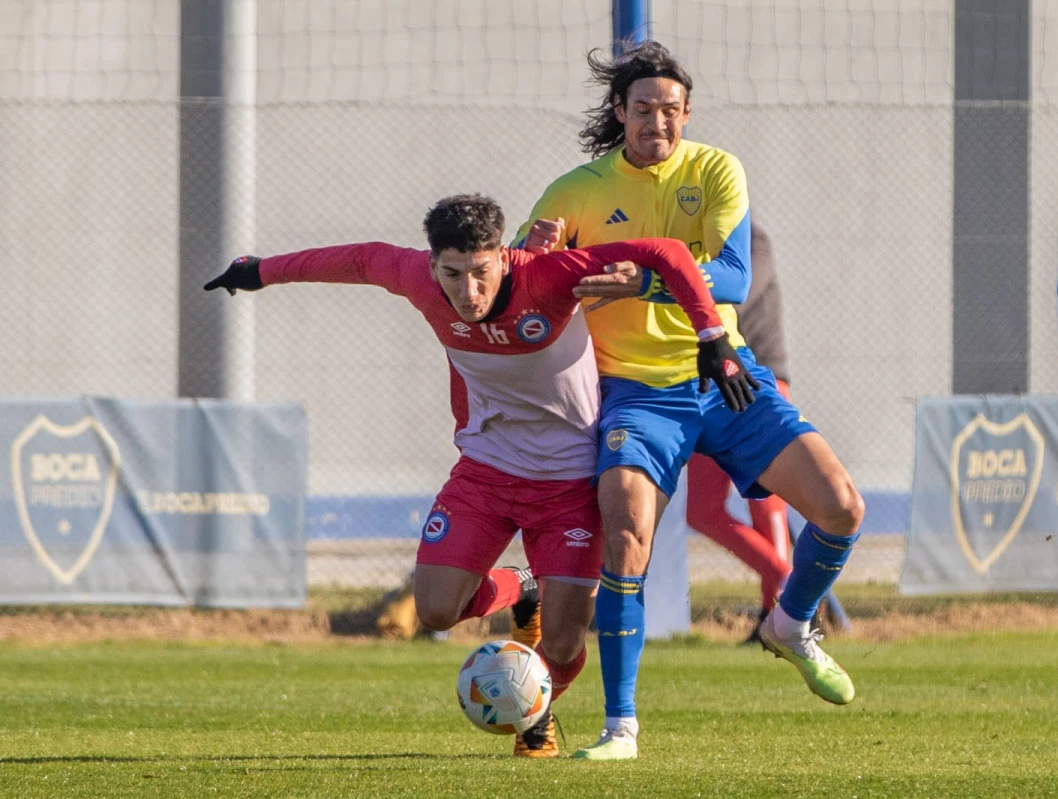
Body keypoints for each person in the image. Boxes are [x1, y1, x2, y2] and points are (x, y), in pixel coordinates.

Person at [204, 194, 752, 758]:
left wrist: (711, 334)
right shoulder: (416, 277)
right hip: (485, 472)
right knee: (436, 610)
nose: (468, 292)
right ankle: (523, 586)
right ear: (432, 263)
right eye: (452, 274)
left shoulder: (549, 274)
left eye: (481, 273)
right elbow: (360, 259)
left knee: (563, 646)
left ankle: (534, 718)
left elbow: (662, 250)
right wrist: (260, 272)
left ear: (504, 259)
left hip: (569, 484)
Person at [516, 42, 865, 760]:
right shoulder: (574, 190)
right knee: (626, 536)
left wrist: (635, 280)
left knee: (842, 505)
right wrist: (535, 251)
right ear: (620, 112)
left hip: (724, 377)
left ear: (687, 114)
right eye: (643, 109)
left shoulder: (714, 169)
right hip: (635, 396)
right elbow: (521, 282)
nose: (658, 122)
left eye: (670, 110)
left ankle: (790, 623)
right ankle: (622, 728)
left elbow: (732, 277)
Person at [684, 222, 792, 642]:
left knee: (766, 505)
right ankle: (787, 582)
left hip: (757, 379)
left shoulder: (752, 238)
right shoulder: (686, 238)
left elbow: (737, 291)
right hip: (709, 385)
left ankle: (777, 614)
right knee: (703, 510)